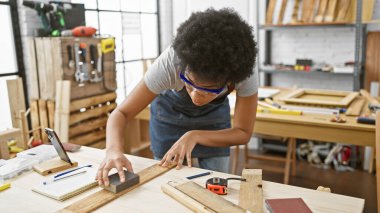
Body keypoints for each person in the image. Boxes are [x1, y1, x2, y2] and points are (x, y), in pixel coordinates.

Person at [97, 8, 258, 186]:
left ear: (229, 82)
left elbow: (243, 133)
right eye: (189, 83)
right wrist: (113, 150)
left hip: (214, 122)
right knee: (166, 184)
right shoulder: (169, 65)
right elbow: (121, 113)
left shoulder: (243, 74)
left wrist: (195, 135)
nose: (196, 97)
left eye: (208, 91)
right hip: (169, 115)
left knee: (217, 187)